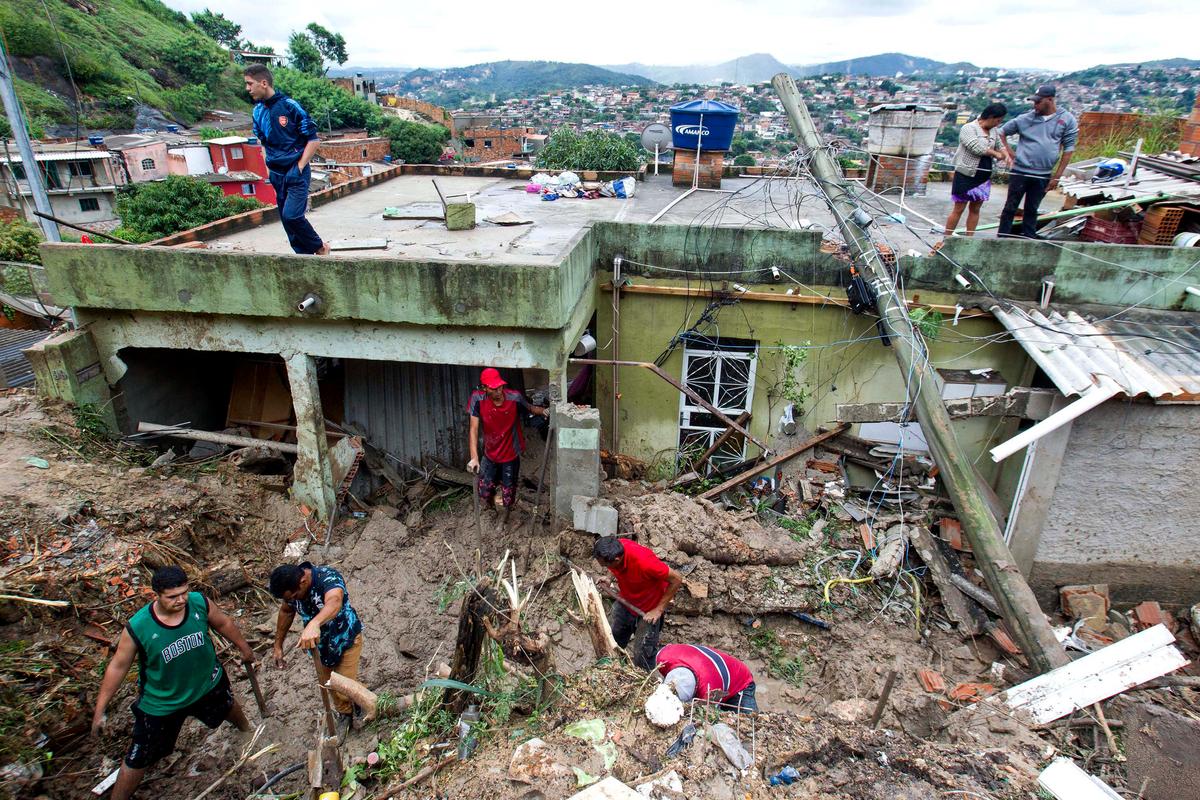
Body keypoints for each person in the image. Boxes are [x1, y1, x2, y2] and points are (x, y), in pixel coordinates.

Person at [91, 567, 256, 800]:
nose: (181, 600)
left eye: (184, 593)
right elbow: (118, 667)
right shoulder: (139, 627)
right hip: (162, 703)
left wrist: (244, 647)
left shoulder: (198, 603)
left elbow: (223, 623)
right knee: (139, 756)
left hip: (206, 683)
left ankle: (249, 733)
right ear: (156, 594)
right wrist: (100, 709)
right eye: (172, 596)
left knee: (228, 706)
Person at [269, 562, 364, 739]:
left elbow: (334, 602)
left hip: (346, 638)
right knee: (329, 683)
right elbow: (286, 612)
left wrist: (314, 623)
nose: (294, 600)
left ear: (303, 581)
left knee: (344, 683)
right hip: (320, 649)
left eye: (295, 595)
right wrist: (278, 645)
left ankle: (362, 703)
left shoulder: (327, 578)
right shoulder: (292, 594)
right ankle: (346, 714)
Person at [244, 64, 329, 256]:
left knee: (292, 216)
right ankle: (303, 258)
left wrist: (299, 167)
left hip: (295, 170)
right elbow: (263, 142)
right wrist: (268, 169)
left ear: (263, 83)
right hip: (276, 172)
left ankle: (320, 247)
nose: (247, 89)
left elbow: (313, 140)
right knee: (286, 221)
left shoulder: (290, 106)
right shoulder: (258, 112)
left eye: (250, 84)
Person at [465, 368, 549, 525]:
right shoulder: (477, 399)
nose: (498, 391)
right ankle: (488, 513)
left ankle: (505, 517)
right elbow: (473, 429)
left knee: (508, 491)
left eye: (500, 387)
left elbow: (530, 408)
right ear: (484, 388)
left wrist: (545, 411)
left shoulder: (514, 398)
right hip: (489, 453)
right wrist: (474, 457)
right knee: (484, 489)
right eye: (493, 388)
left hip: (510, 454)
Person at [996, 85, 1078, 239]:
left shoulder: (1067, 119)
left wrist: (1057, 176)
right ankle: (1002, 236)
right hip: (1020, 170)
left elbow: (1069, 148)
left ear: (1050, 100)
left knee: (1032, 208)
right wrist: (1010, 153)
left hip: (1043, 173)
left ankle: (1029, 235)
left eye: (1038, 102)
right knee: (1010, 206)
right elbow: (1001, 132)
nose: (1035, 105)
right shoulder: (1025, 118)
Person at [593, 536, 683, 670]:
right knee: (613, 641)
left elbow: (676, 579)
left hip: (649, 609)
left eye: (606, 566)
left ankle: (643, 683)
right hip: (626, 601)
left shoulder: (645, 563)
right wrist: (609, 578)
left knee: (642, 657)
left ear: (617, 560)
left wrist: (658, 610)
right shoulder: (616, 547)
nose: (606, 568)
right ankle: (615, 670)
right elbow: (613, 567)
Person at [943, 103, 1010, 237]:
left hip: (983, 175)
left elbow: (1000, 144)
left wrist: (1006, 154)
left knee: (975, 209)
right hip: (966, 174)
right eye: (998, 120)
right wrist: (996, 154)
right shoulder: (969, 128)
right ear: (991, 117)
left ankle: (970, 238)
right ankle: (947, 237)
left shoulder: (993, 131)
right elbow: (976, 147)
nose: (998, 124)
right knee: (959, 208)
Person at [655, 643, 757, 713]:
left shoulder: (709, 689)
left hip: (740, 682)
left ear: (696, 690)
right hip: (713, 670)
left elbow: (711, 715)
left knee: (748, 722)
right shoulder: (664, 657)